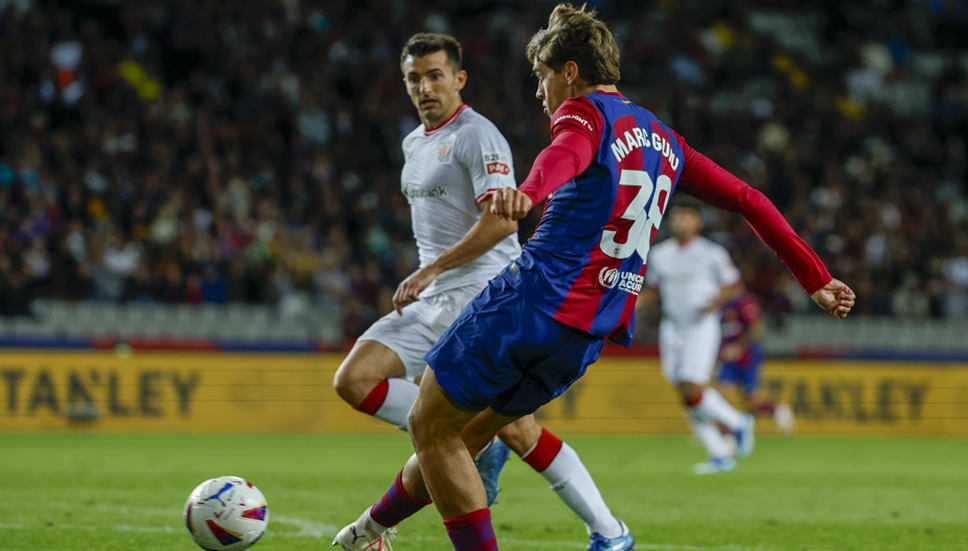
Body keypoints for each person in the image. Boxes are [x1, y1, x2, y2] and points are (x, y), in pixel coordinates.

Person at [334, 5, 855, 551]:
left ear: (570, 73)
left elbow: (563, 155)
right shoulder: (665, 140)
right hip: (586, 333)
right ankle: (364, 534)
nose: (540, 93)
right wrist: (814, 277)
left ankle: (378, 532)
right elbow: (748, 199)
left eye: (542, 77)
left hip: (530, 304)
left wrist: (528, 193)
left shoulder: (583, 114)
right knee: (457, 441)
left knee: (429, 426)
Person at [330, 32, 630, 551]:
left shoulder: (478, 135)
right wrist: (429, 277)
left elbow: (502, 223)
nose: (424, 87)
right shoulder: (412, 142)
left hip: (482, 292)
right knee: (354, 379)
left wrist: (431, 270)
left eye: (435, 75)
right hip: (432, 298)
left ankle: (608, 529)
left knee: (520, 431)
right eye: (414, 79)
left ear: (459, 79)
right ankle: (464, 442)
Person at [644, 206, 754, 474]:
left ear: (697, 222)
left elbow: (735, 285)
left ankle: (737, 421)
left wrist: (716, 300)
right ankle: (718, 453)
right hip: (672, 326)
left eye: (686, 216)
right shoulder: (660, 254)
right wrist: (629, 307)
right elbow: (654, 289)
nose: (681, 222)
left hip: (701, 326)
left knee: (692, 386)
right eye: (677, 217)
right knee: (682, 390)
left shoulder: (712, 253)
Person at [717, 289, 795, 434]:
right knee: (722, 396)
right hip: (728, 358)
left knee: (753, 402)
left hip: (747, 356)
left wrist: (738, 347)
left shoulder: (744, 302)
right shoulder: (719, 302)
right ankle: (726, 436)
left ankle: (778, 410)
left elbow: (758, 327)